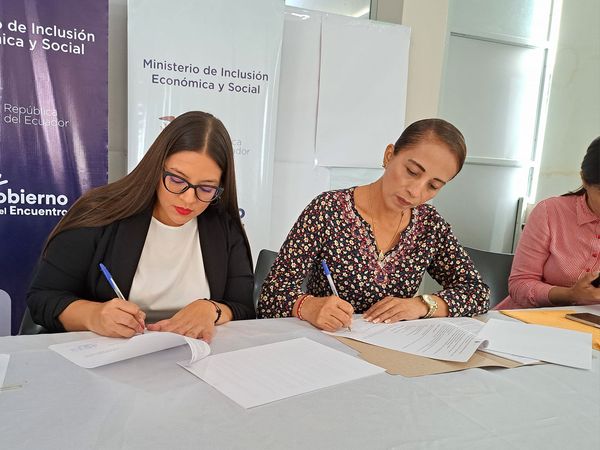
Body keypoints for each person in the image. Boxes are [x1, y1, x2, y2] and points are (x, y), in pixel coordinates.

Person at [27, 111, 254, 340]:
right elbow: (43, 297)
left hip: (193, 356)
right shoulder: (100, 212)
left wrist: (211, 309)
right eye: (176, 180)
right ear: (156, 167)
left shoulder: (224, 228)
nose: (188, 199)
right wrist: (94, 315)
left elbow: (243, 308)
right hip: (109, 353)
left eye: (206, 188)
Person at [257, 119, 490, 331]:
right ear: (389, 155)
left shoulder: (429, 225)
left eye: (433, 186)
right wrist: (307, 306)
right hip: (326, 344)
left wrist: (422, 305)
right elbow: (271, 294)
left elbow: (477, 292)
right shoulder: (328, 209)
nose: (415, 191)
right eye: (412, 172)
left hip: (392, 350)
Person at [496, 136, 600, 309]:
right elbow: (519, 285)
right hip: (527, 317)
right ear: (584, 180)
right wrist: (570, 294)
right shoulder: (550, 212)